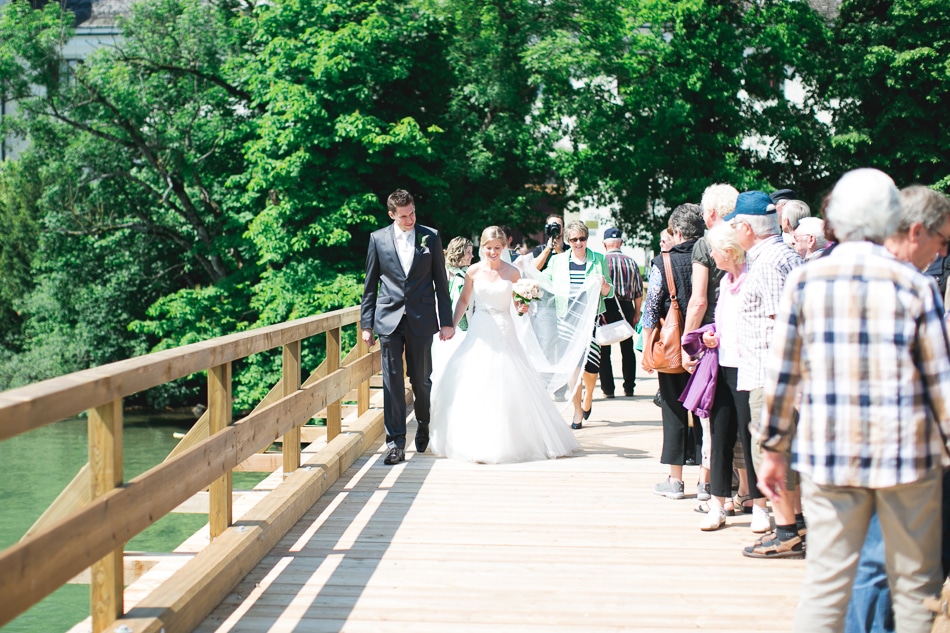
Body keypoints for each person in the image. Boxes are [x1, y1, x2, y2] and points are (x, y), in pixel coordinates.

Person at [756, 169, 950, 632]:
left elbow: (782, 377)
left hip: (829, 455)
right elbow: (941, 386)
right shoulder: (916, 286)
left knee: (825, 587)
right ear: (891, 219)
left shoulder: (805, 282)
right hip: (907, 459)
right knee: (914, 587)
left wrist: (773, 451)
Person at [844, 183, 950, 633]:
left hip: (853, 446)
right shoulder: (911, 286)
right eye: (941, 240)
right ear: (915, 231)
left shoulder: (841, 274)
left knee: (875, 562)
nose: (942, 251)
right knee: (883, 562)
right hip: (898, 448)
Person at [429, 226, 580, 463]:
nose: (492, 252)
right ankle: (472, 438)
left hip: (504, 328)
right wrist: (451, 325)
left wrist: (522, 307)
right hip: (480, 327)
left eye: (497, 248)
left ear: (504, 247)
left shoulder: (513, 273)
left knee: (507, 378)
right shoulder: (473, 271)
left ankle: (513, 439)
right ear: (483, 248)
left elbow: (518, 307)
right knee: (473, 379)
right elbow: (464, 300)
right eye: (488, 248)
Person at [728, 190, 805, 558]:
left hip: (768, 374)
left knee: (772, 450)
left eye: (734, 225)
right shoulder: (781, 255)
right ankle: (796, 523)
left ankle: (787, 529)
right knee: (782, 450)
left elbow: (782, 327)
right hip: (769, 373)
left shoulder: (770, 261)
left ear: (746, 227)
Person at [360, 189, 454, 466]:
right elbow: (370, 286)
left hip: (422, 318)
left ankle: (423, 423)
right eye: (403, 216)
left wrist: (446, 322)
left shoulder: (431, 236)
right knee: (391, 383)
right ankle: (395, 443)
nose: (410, 219)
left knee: (422, 380)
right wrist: (367, 325)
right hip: (388, 319)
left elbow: (441, 282)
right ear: (392, 215)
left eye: (412, 213)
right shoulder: (377, 239)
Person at [641, 204, 705, 499]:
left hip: (673, 347)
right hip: (709, 341)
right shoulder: (712, 256)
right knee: (709, 411)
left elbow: (652, 307)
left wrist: (645, 347)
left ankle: (676, 480)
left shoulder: (662, 262)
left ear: (677, 232)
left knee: (673, 408)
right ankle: (708, 481)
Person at [545, 221, 613, 429]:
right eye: (574, 239)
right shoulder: (558, 261)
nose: (578, 243)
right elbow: (544, 283)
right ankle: (576, 411)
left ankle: (589, 395)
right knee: (572, 368)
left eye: (582, 239)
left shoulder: (598, 259)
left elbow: (609, 292)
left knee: (591, 367)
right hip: (566, 320)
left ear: (586, 239)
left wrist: (603, 285)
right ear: (568, 241)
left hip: (590, 319)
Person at [598, 228, 643, 399]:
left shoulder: (601, 262)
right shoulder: (631, 262)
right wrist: (637, 313)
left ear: (604, 244)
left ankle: (608, 389)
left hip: (606, 306)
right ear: (621, 243)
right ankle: (629, 387)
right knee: (627, 349)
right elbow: (638, 292)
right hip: (626, 307)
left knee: (604, 348)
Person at [445, 237, 474, 331]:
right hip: (443, 324)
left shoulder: (470, 275)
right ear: (458, 252)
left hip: (467, 326)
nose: (472, 256)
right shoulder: (442, 272)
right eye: (468, 252)